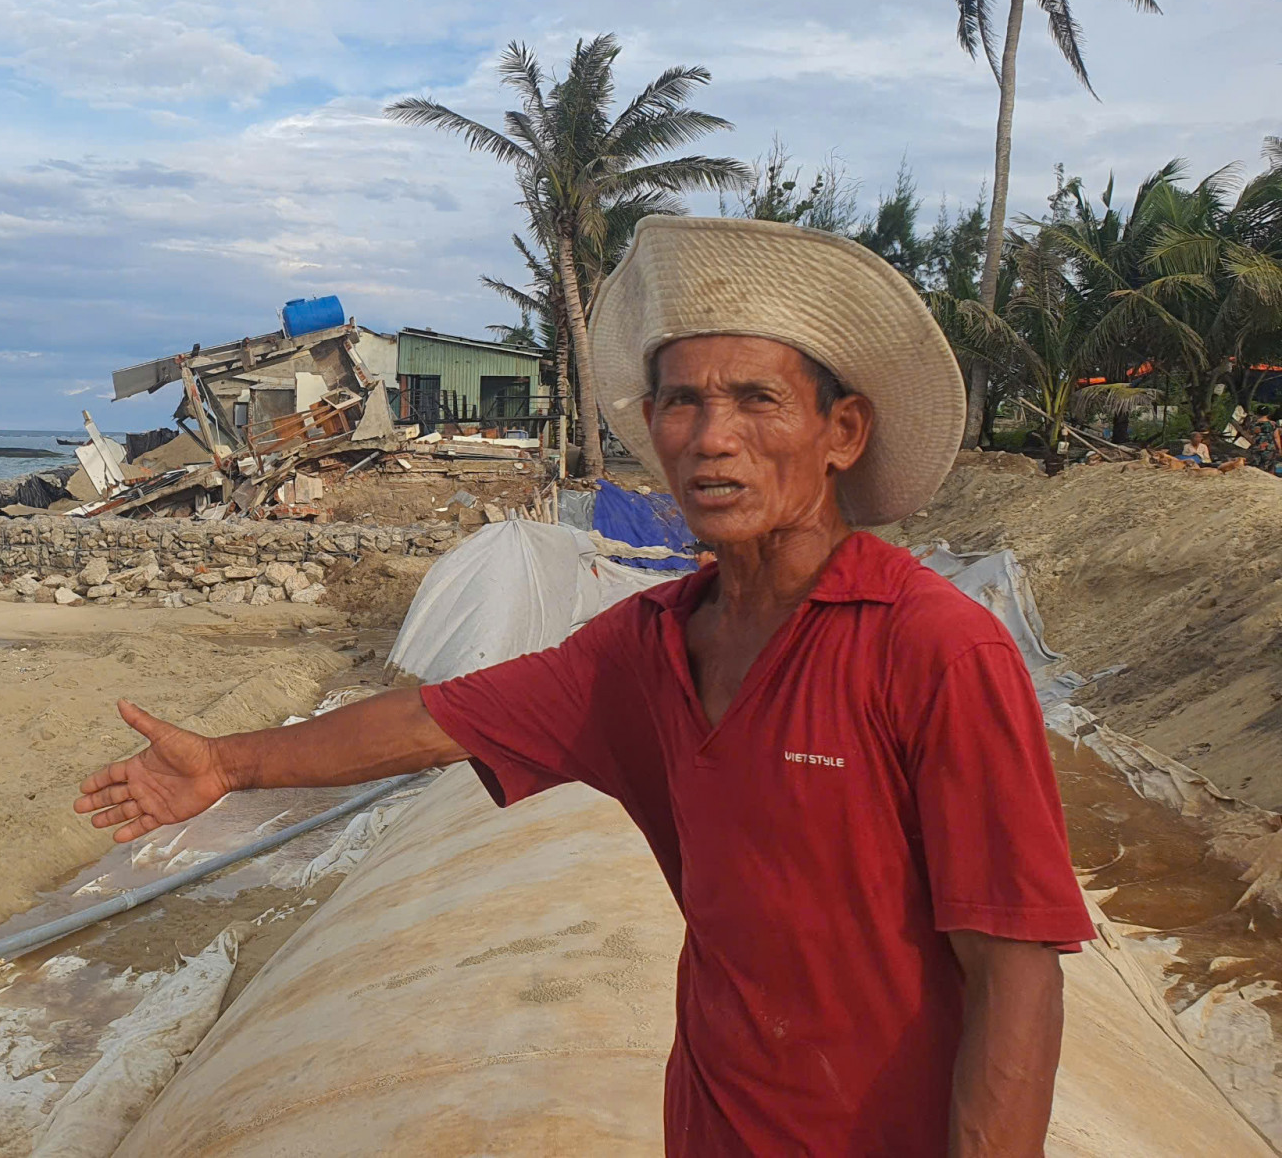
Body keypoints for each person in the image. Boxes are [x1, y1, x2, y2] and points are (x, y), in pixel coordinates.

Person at [75, 216, 1091, 1157]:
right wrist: (224, 765)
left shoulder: (930, 648)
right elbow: (435, 721)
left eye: (755, 399)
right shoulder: (644, 647)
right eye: (681, 401)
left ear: (843, 433)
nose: (711, 435)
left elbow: (1011, 972)